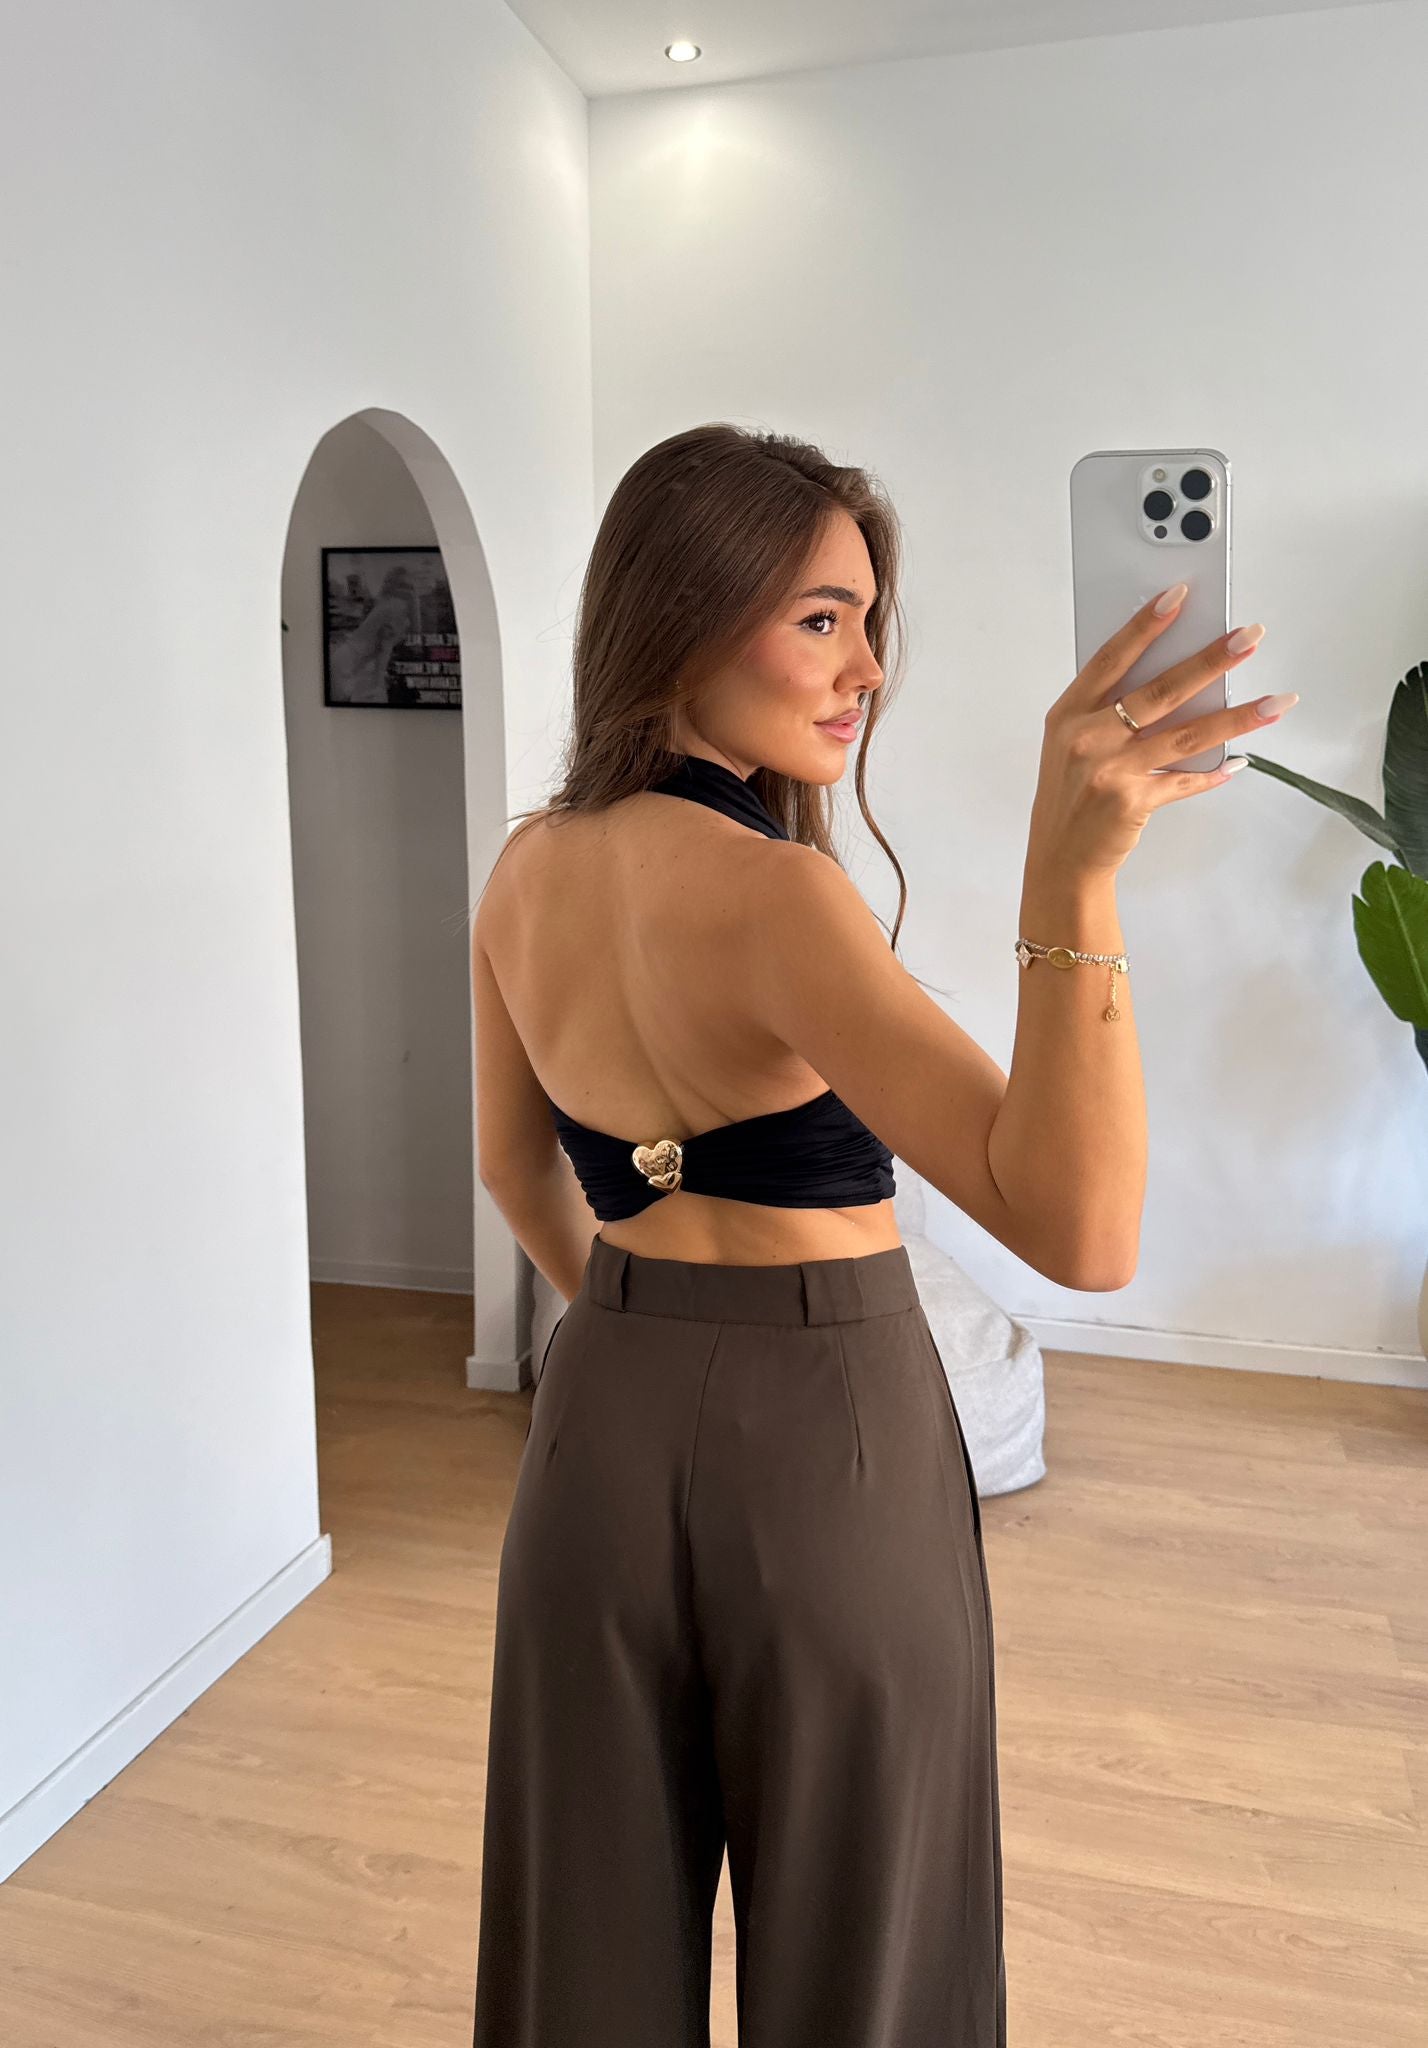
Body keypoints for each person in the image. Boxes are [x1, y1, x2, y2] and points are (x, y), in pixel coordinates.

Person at [466, 422, 1279, 2046]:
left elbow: (513, 1169)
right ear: (685, 615)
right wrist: (1074, 877)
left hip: (596, 1428)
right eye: (822, 618)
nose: (868, 669)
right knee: (873, 1963)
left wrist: (641, 1338)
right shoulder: (782, 897)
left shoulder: (527, 868)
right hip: (827, 1441)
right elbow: (1084, 1231)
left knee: (580, 1957)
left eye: (870, 620)